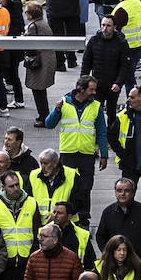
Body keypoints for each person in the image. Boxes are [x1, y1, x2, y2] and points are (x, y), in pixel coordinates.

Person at [44, 77, 106, 223]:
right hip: (68, 152)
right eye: (91, 89)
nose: (94, 92)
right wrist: (56, 110)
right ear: (81, 89)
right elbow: (49, 124)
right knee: (67, 186)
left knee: (86, 187)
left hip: (86, 154)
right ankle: (66, 216)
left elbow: (102, 132)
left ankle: (84, 218)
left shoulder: (96, 106)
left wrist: (104, 154)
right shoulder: (64, 102)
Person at [95, 178, 141, 268]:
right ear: (115, 192)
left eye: (127, 191)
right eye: (119, 190)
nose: (123, 194)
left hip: (138, 264)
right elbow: (100, 236)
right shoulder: (108, 212)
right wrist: (109, 254)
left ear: (133, 193)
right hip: (114, 265)